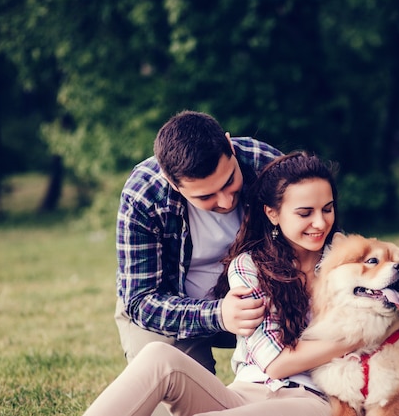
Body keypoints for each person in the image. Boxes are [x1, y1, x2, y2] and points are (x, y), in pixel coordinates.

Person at [85, 152, 356, 416]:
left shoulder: (351, 263)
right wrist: (358, 337)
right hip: (243, 393)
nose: (320, 222)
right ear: (273, 213)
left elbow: (394, 315)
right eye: (305, 213)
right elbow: (274, 362)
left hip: (311, 399)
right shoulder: (249, 265)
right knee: (158, 357)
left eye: (328, 209)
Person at [115, 110, 283, 376]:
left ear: (229, 145)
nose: (227, 201)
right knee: (179, 397)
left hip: (264, 306)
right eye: (206, 196)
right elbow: (141, 301)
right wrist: (220, 314)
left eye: (229, 181)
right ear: (173, 183)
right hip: (172, 314)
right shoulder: (144, 194)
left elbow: (318, 239)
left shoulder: (265, 162)